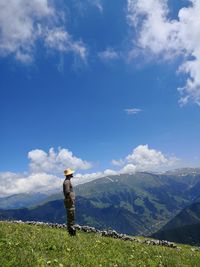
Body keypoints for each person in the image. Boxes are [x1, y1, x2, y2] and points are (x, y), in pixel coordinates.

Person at [63, 168, 76, 236]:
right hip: (69, 202)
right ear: (69, 174)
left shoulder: (67, 181)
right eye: (71, 173)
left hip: (68, 201)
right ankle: (71, 233)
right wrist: (71, 200)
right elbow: (67, 192)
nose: (72, 174)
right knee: (71, 216)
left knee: (70, 216)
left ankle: (71, 231)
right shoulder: (67, 182)